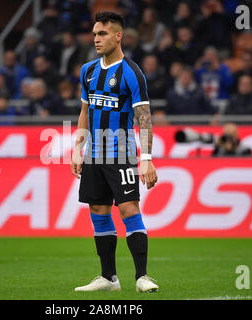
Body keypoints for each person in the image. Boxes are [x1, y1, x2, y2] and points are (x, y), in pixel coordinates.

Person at [71, 11, 158, 293]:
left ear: (118, 36)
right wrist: (78, 147)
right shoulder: (87, 70)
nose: (96, 39)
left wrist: (146, 159)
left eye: (103, 34)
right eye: (95, 34)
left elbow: (144, 117)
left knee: (129, 208)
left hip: (121, 153)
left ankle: (142, 276)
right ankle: (109, 278)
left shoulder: (132, 73)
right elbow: (85, 111)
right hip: (94, 154)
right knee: (98, 209)